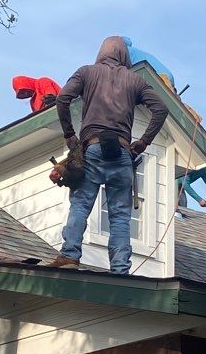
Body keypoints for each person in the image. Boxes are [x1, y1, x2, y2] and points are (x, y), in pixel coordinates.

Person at [51, 37, 170, 273]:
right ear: (124, 56)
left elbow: (63, 98)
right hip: (123, 153)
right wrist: (143, 142)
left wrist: (69, 135)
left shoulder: (86, 72)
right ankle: (120, 268)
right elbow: (161, 109)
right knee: (119, 216)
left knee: (81, 205)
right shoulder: (135, 80)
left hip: (92, 149)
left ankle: (69, 256)